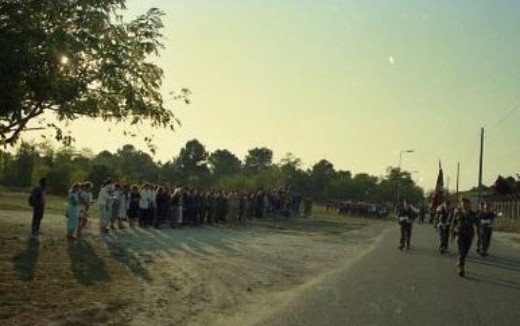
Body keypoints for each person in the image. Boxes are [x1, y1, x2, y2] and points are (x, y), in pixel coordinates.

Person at [450, 197, 477, 277]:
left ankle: (460, 262)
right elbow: (453, 224)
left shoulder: (473, 214)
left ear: (469, 204)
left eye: (466, 203)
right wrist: (452, 235)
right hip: (459, 234)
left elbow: (477, 225)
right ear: (461, 204)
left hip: (469, 235)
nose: (464, 205)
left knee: (465, 252)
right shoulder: (457, 213)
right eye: (463, 203)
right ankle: (460, 267)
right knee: (461, 251)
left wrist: (478, 236)